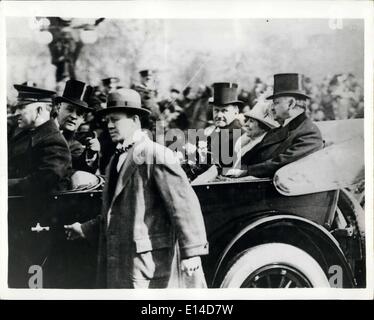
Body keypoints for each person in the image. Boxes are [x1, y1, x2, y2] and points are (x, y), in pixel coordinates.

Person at [64, 88, 208, 288]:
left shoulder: (156, 154)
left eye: (115, 120)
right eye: (107, 121)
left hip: (147, 266)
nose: (110, 126)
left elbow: (183, 205)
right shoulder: (115, 159)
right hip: (119, 263)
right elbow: (114, 212)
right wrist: (85, 229)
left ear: (135, 120)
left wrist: (192, 253)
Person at [225, 73, 323, 178]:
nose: (272, 108)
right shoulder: (282, 128)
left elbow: (282, 162)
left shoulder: (309, 133)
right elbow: (252, 155)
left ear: (291, 104)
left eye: (276, 103)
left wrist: (248, 171)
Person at [8, 84, 72, 194]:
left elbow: (42, 182)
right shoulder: (27, 134)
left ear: (39, 111)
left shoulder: (54, 142)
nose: (16, 113)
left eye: (21, 107)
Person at [55, 79, 101, 174]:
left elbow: (80, 170)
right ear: (58, 107)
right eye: (70, 109)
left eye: (79, 114)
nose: (74, 116)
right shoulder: (40, 128)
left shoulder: (76, 147)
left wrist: (90, 154)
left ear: (83, 119)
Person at [228, 100, 278, 172]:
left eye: (251, 121)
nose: (245, 124)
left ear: (263, 127)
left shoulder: (263, 149)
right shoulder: (245, 142)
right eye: (247, 120)